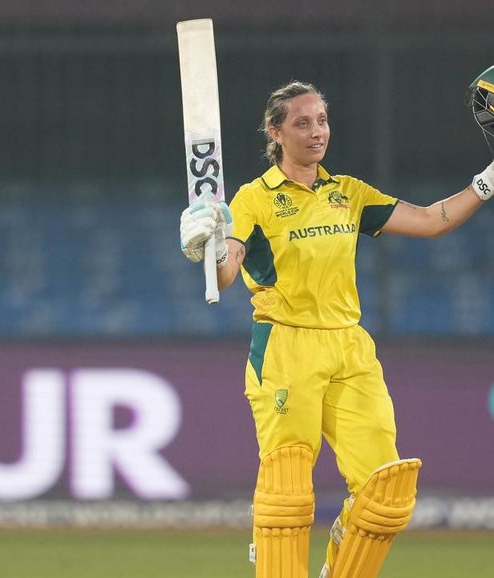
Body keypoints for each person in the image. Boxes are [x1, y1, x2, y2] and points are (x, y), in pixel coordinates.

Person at [180, 75, 494, 578]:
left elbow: (433, 221)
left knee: (385, 494)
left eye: (322, 120)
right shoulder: (251, 200)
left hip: (350, 349)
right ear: (275, 133)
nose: (316, 131)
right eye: (302, 123)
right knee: (287, 495)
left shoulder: (347, 193)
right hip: (285, 345)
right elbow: (227, 272)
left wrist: (490, 178)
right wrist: (205, 245)